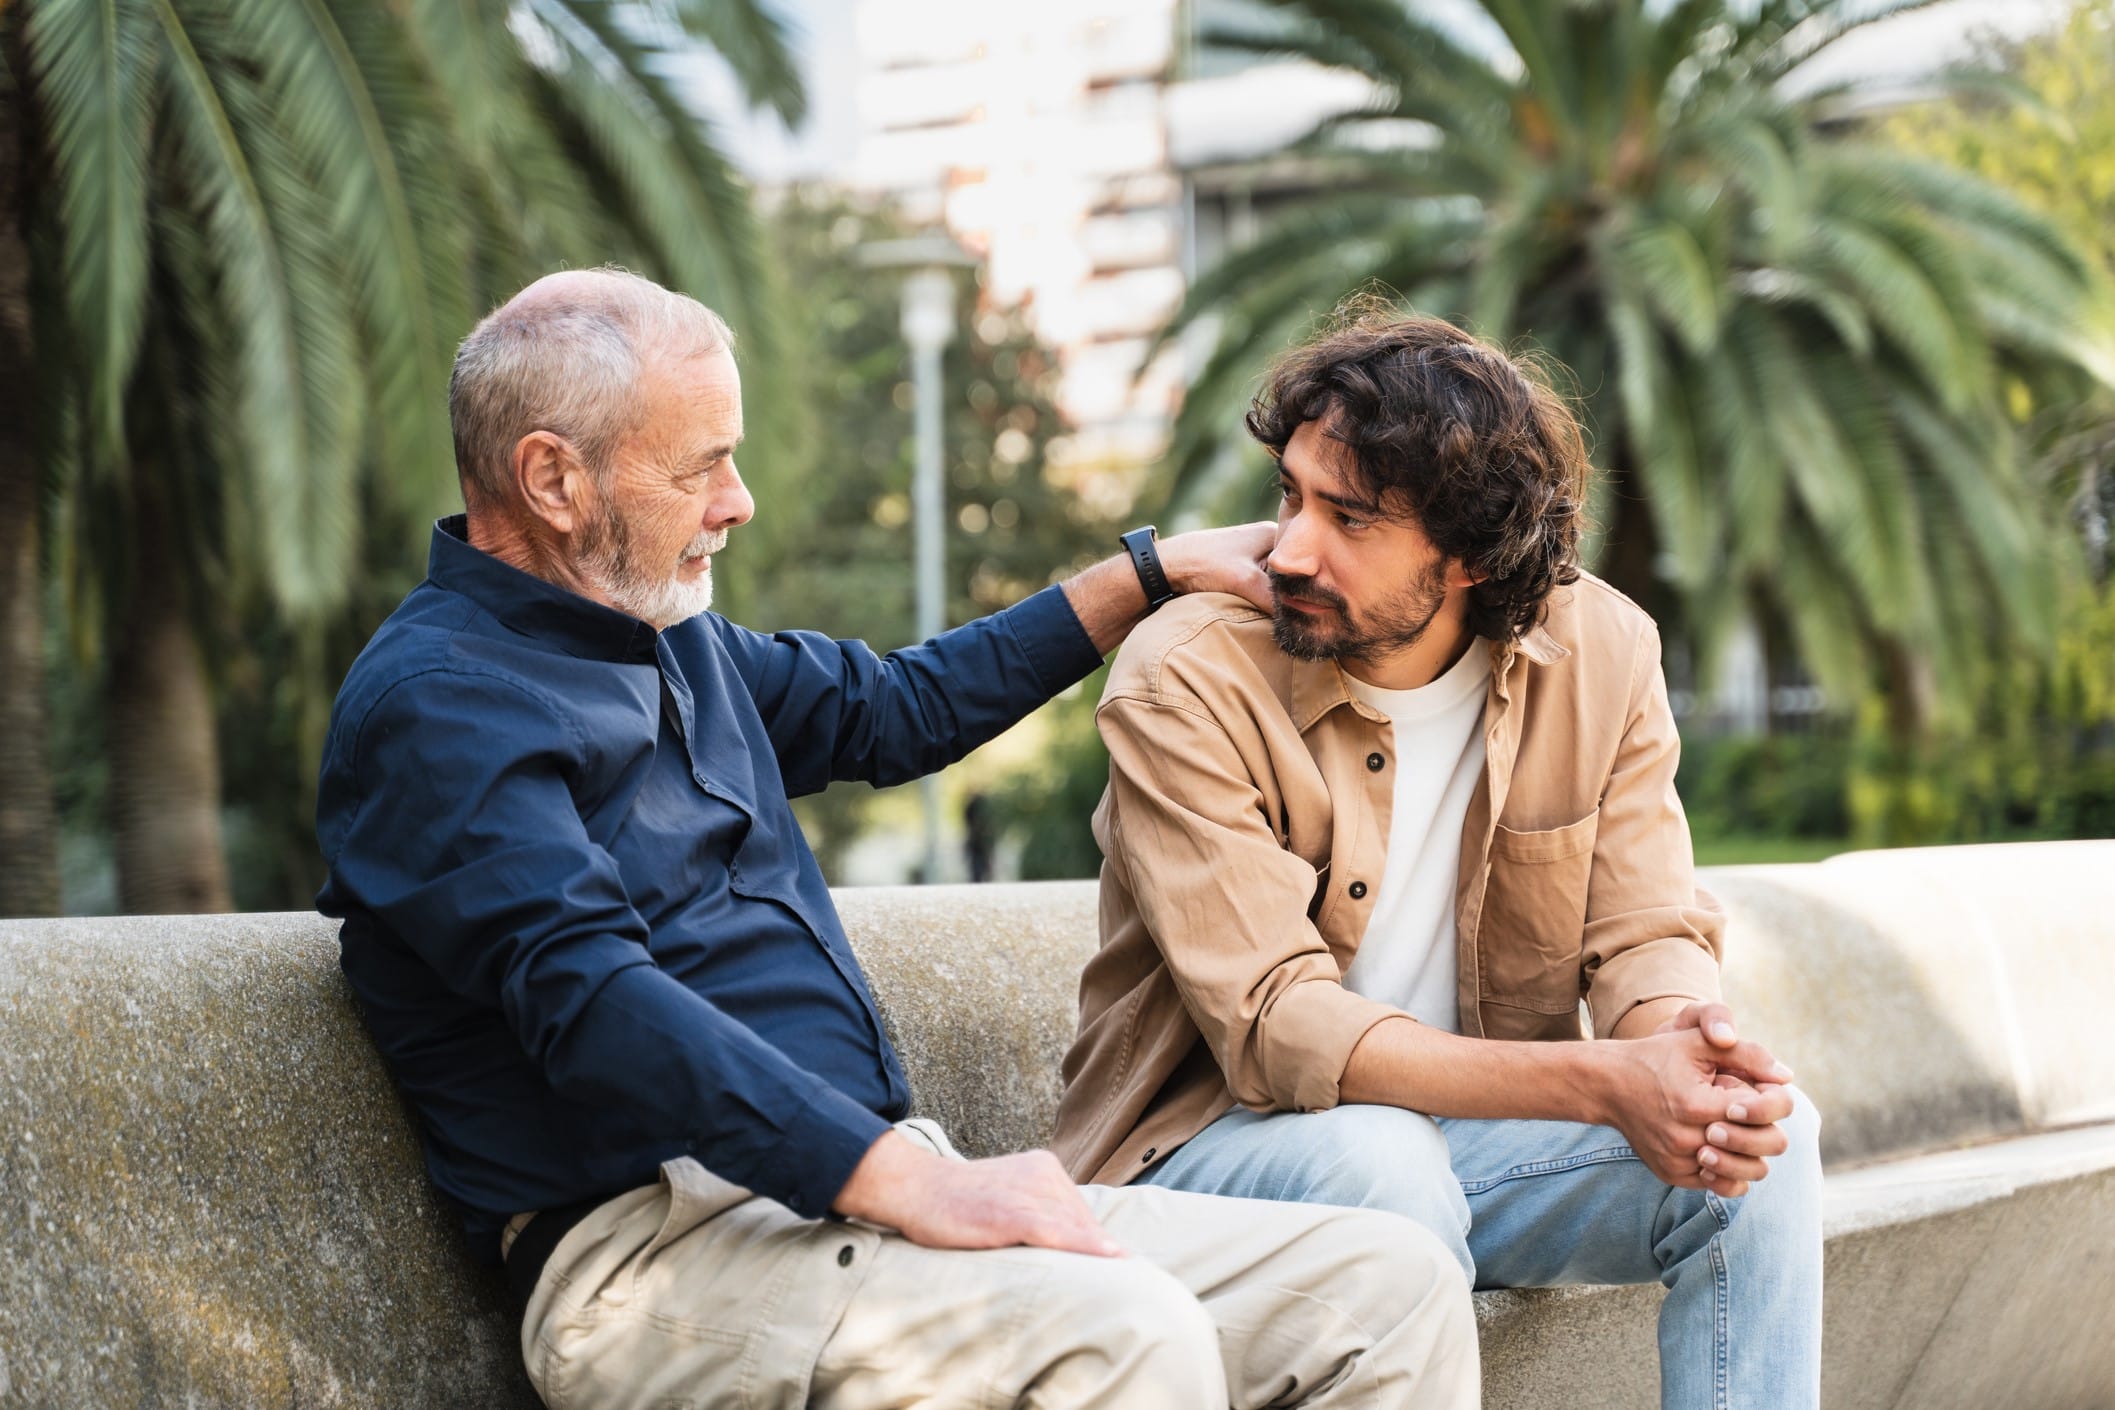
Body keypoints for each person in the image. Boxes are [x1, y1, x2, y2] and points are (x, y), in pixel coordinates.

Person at [315, 269, 1478, 1410]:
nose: (738, 499)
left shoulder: (674, 645)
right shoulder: (438, 705)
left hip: (855, 1207)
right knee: (1122, 1334)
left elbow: (898, 708)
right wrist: (905, 1184)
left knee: (1390, 1289)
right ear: (553, 479)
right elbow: (592, 1000)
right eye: (701, 464)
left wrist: (1151, 572)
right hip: (660, 1251)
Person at [1053, 307, 1824, 1410]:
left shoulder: (1603, 652)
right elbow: (1279, 1024)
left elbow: (1646, 935)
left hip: (1466, 1151)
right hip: (1206, 1159)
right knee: (1380, 1161)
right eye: (1291, 495)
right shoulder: (1186, 680)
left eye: (1350, 517)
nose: (1289, 549)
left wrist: (1684, 1057)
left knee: (1762, 1151)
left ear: (1466, 555)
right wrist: (1604, 1083)